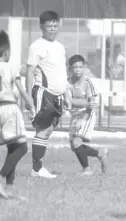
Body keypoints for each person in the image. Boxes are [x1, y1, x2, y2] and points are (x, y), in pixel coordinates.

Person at [26, 10, 69, 179]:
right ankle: (37, 169)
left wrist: (66, 94)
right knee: (42, 130)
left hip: (58, 95)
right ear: (41, 26)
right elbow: (30, 72)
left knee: (48, 130)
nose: (52, 29)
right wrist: (29, 97)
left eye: (55, 25)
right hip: (44, 93)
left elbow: (61, 72)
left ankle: (38, 168)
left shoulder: (59, 47)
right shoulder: (36, 46)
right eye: (49, 25)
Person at [0, 30, 33, 199]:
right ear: (7, 51)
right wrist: (30, 103)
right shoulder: (10, 67)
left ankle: (9, 188)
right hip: (9, 109)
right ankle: (2, 175)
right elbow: (20, 89)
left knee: (11, 146)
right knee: (22, 147)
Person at [66, 55, 108, 176]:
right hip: (75, 116)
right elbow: (67, 101)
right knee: (75, 147)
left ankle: (87, 169)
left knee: (76, 142)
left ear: (84, 67)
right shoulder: (68, 82)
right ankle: (100, 153)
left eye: (80, 67)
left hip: (86, 115)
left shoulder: (88, 82)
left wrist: (84, 118)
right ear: (70, 68)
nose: (77, 69)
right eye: (75, 67)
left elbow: (92, 104)